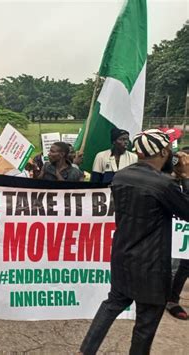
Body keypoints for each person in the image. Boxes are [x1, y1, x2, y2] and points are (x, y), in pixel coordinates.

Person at [80, 129, 189, 355]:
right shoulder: (163, 185)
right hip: (151, 266)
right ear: (164, 151)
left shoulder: (121, 175)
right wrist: (185, 177)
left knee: (112, 304)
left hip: (122, 256)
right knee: (145, 324)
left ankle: (85, 351)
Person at [166, 146, 189, 320]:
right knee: (171, 265)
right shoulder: (167, 180)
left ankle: (173, 299)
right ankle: (163, 297)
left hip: (184, 230)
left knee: (185, 264)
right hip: (170, 227)